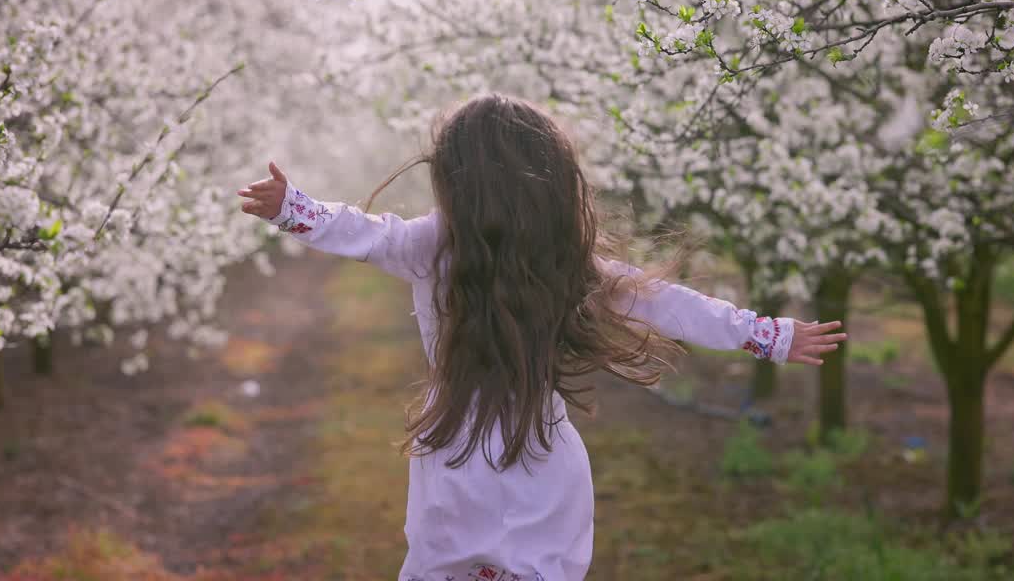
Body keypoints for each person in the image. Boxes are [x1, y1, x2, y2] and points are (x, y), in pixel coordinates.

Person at [238, 94, 846, 581]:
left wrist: (293, 208)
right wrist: (769, 335)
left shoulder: (443, 247)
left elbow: (364, 233)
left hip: (460, 450)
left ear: (457, 181)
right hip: (533, 451)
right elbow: (669, 304)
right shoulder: (551, 259)